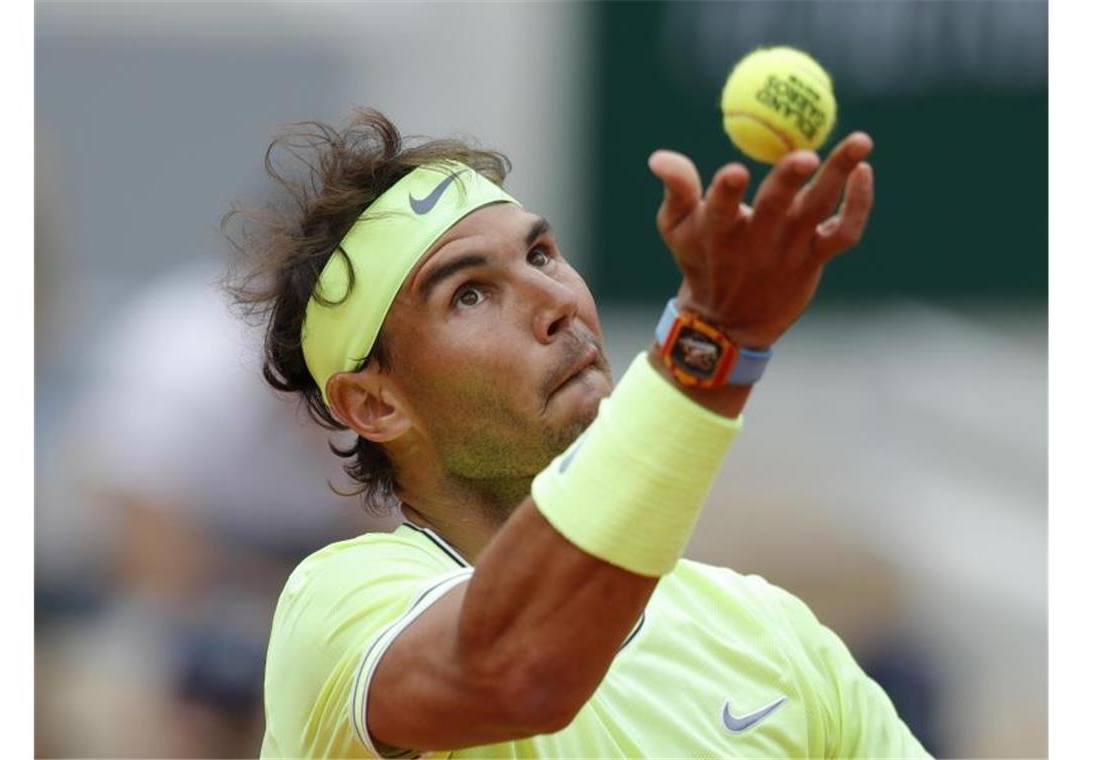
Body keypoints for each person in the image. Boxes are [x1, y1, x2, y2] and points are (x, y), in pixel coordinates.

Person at [229, 108, 930, 758]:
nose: (557, 302)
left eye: (540, 255)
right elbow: (518, 672)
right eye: (469, 294)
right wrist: (710, 348)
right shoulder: (336, 606)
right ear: (376, 405)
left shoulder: (770, 633)